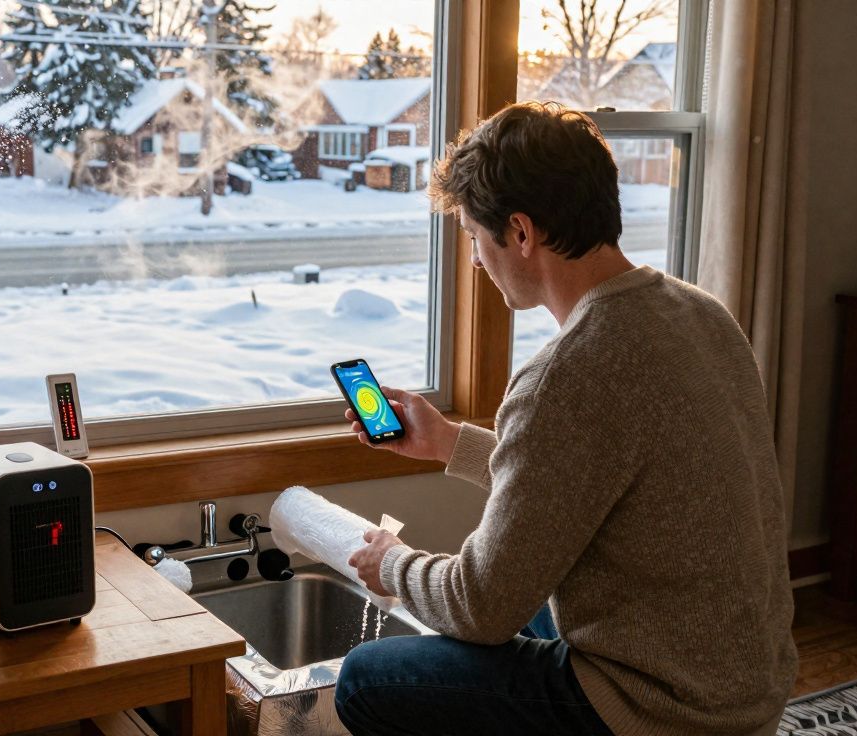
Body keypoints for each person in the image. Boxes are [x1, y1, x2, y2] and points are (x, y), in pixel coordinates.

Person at [335, 102, 797, 736]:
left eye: (474, 236)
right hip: (743, 685)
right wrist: (448, 444)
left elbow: (479, 607)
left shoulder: (568, 372)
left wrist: (392, 563)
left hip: (663, 710)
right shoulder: (700, 313)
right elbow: (583, 480)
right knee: (534, 594)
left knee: (367, 679)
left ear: (521, 233)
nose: (474, 260)